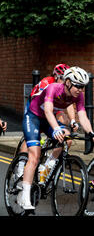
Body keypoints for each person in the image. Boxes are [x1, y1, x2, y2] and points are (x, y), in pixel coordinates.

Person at [17, 66, 94, 210]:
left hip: (47, 120)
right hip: (34, 117)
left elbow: (82, 116)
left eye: (83, 87)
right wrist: (56, 128)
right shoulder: (53, 88)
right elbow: (47, 110)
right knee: (34, 155)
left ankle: (47, 165)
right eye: (77, 86)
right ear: (68, 82)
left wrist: (91, 133)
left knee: (67, 137)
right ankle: (24, 196)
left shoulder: (78, 96)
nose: (80, 90)